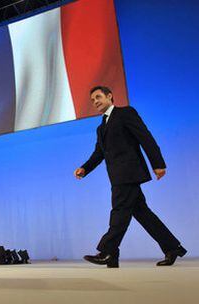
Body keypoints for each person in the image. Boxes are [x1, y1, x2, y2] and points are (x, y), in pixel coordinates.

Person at [74, 86, 186, 268]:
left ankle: (108, 251)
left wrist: (157, 163)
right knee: (143, 214)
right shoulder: (101, 127)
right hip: (118, 176)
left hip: (128, 174)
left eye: (98, 97)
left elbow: (145, 137)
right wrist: (84, 168)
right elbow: (99, 153)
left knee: (119, 211)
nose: (95, 101)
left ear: (110, 96)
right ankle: (172, 247)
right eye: (92, 100)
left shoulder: (125, 113)